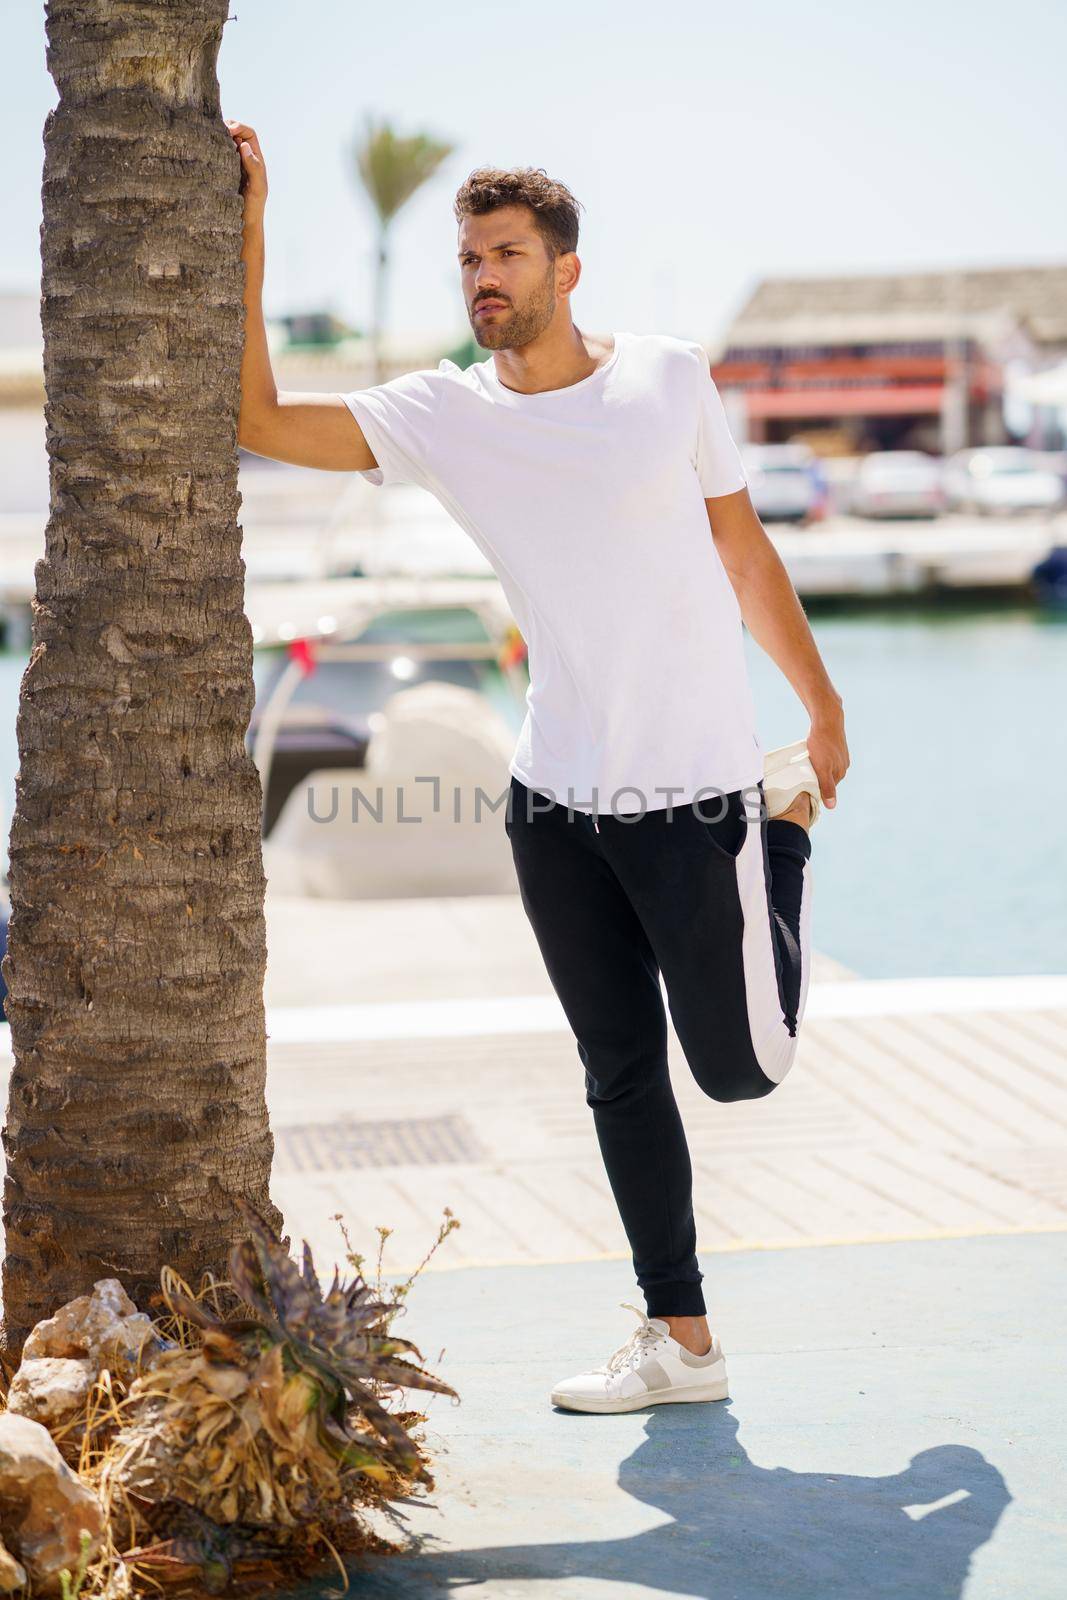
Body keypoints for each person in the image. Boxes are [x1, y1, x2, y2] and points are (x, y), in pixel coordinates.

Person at [226, 122, 851, 1414]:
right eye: (468, 259)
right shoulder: (443, 412)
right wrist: (252, 225)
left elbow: (743, 556)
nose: (482, 279)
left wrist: (820, 709)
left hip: (698, 794)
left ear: (568, 269)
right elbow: (260, 419)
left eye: (506, 255)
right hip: (554, 801)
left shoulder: (670, 380)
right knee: (619, 1073)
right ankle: (682, 1347)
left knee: (737, 1071)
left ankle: (781, 839)